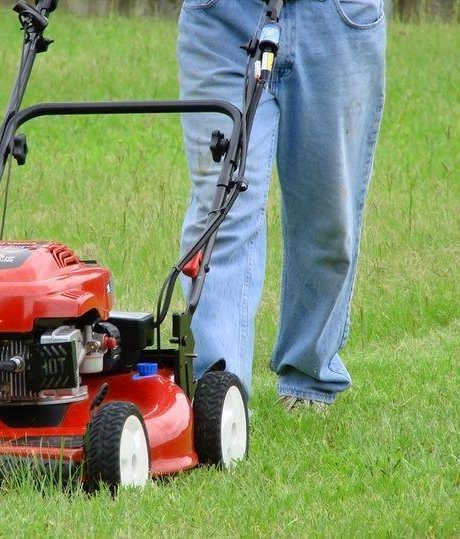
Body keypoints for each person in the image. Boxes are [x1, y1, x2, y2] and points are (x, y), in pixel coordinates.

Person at [177, 0, 386, 410]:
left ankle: (309, 374)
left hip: (336, 19)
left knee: (328, 216)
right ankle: (216, 396)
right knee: (222, 207)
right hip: (223, 16)